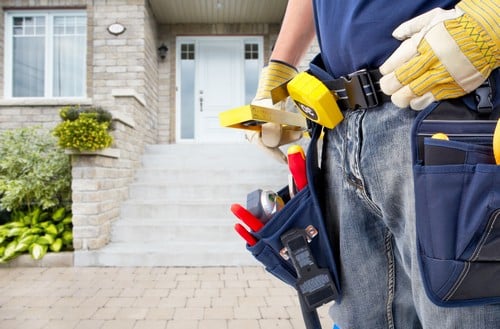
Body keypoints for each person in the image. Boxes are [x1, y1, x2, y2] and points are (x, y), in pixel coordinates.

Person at [250, 0, 499, 328]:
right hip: (340, 124)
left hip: (443, 104)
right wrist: (280, 67)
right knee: (358, 320)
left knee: (465, 316)